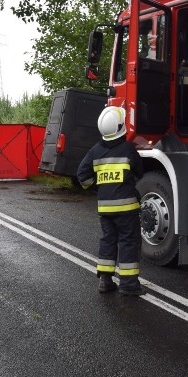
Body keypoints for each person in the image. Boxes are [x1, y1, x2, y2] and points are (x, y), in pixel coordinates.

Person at [76, 106, 145, 296]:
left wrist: (99, 187)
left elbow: (82, 175)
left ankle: (105, 282)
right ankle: (129, 285)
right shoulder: (128, 149)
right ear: (121, 127)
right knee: (128, 242)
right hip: (127, 209)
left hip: (105, 209)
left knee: (108, 241)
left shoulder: (95, 151)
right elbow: (140, 171)